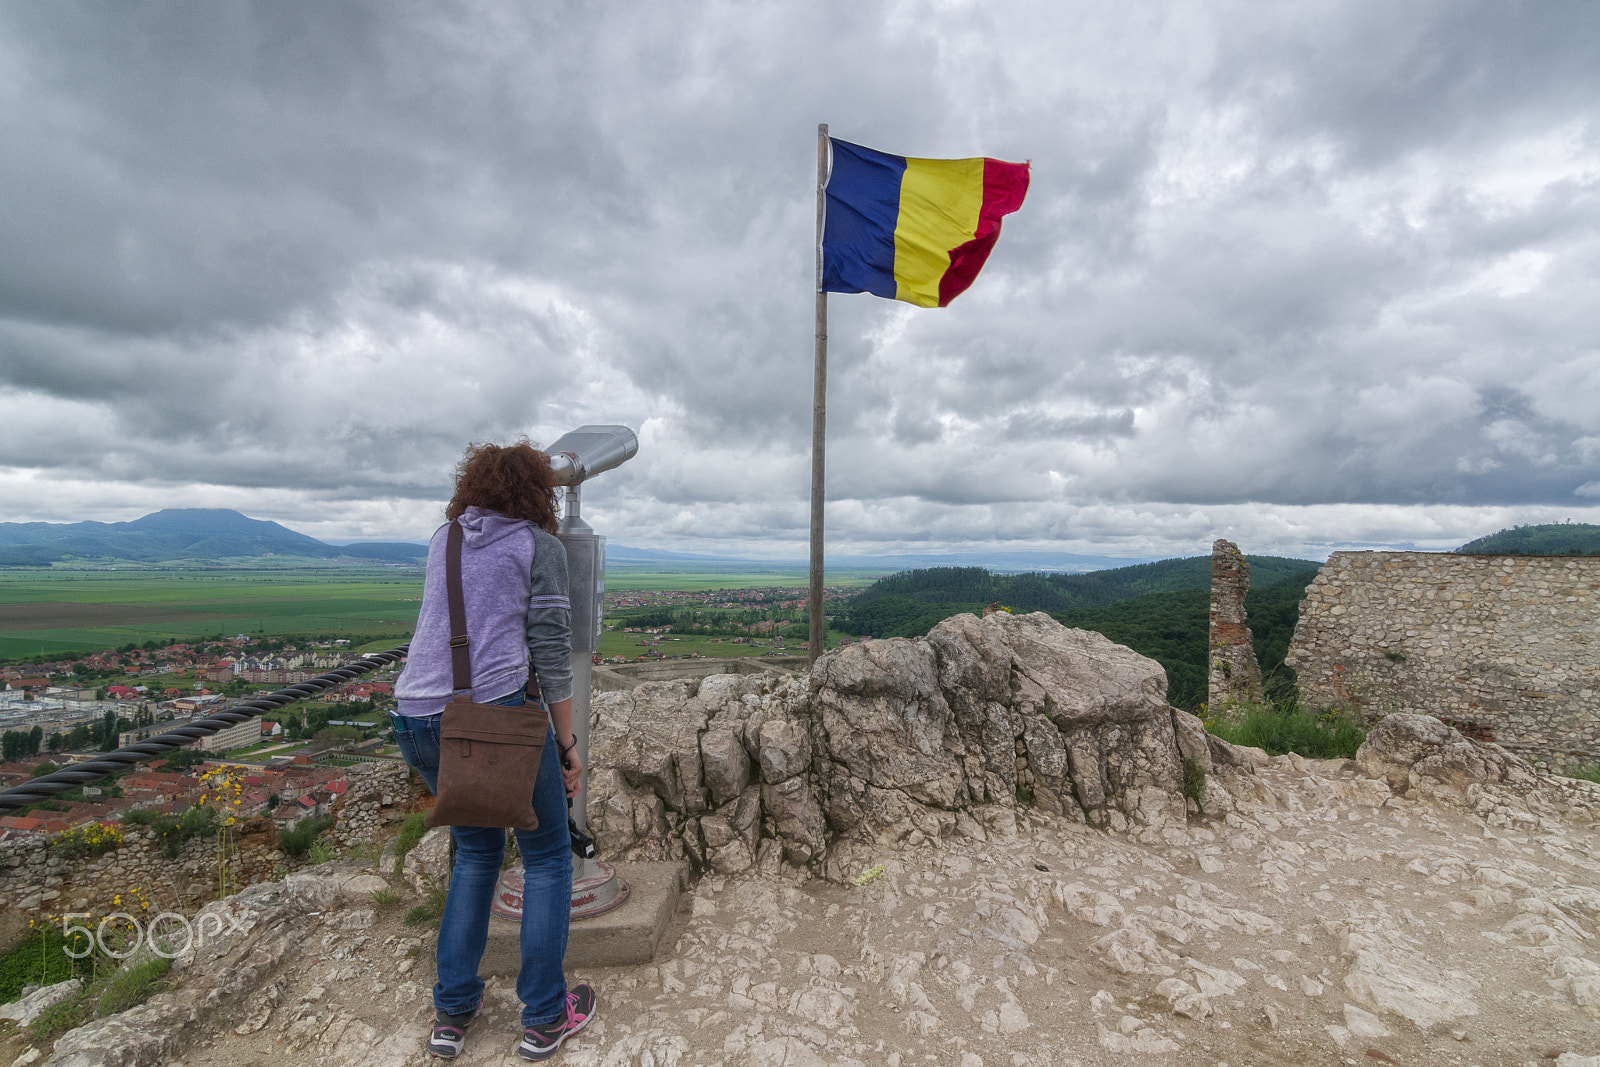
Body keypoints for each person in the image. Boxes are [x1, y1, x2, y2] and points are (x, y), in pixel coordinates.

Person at [391, 441, 597, 1061]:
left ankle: (452, 1014)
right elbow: (553, 656)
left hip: (417, 717)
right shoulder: (540, 548)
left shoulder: (444, 537)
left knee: (476, 854)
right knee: (548, 857)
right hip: (491, 719)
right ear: (540, 494)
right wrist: (567, 746)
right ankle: (543, 1017)